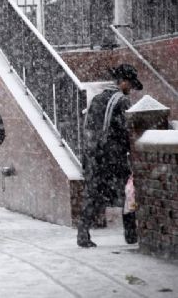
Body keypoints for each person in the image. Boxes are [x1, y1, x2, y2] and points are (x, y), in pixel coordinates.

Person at [77, 64, 143, 248]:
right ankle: (131, 234)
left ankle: (83, 233)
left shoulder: (97, 99)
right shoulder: (121, 102)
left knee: (93, 195)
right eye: (129, 84)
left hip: (93, 155)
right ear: (122, 82)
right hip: (113, 157)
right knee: (128, 194)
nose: (130, 89)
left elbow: (89, 127)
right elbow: (126, 131)